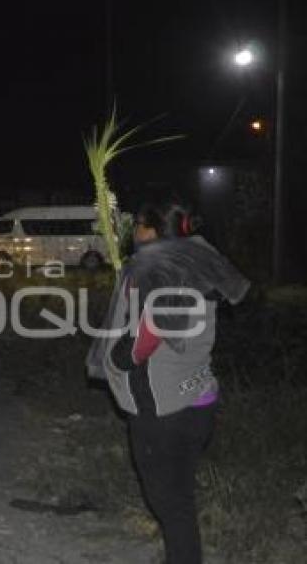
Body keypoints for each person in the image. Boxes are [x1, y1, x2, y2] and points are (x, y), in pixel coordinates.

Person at [87, 202, 250, 564]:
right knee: (180, 497)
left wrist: (120, 357)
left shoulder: (154, 264)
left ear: (154, 230)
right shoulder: (199, 257)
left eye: (139, 226)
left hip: (162, 406)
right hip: (198, 395)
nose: (135, 234)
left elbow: (153, 327)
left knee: (170, 502)